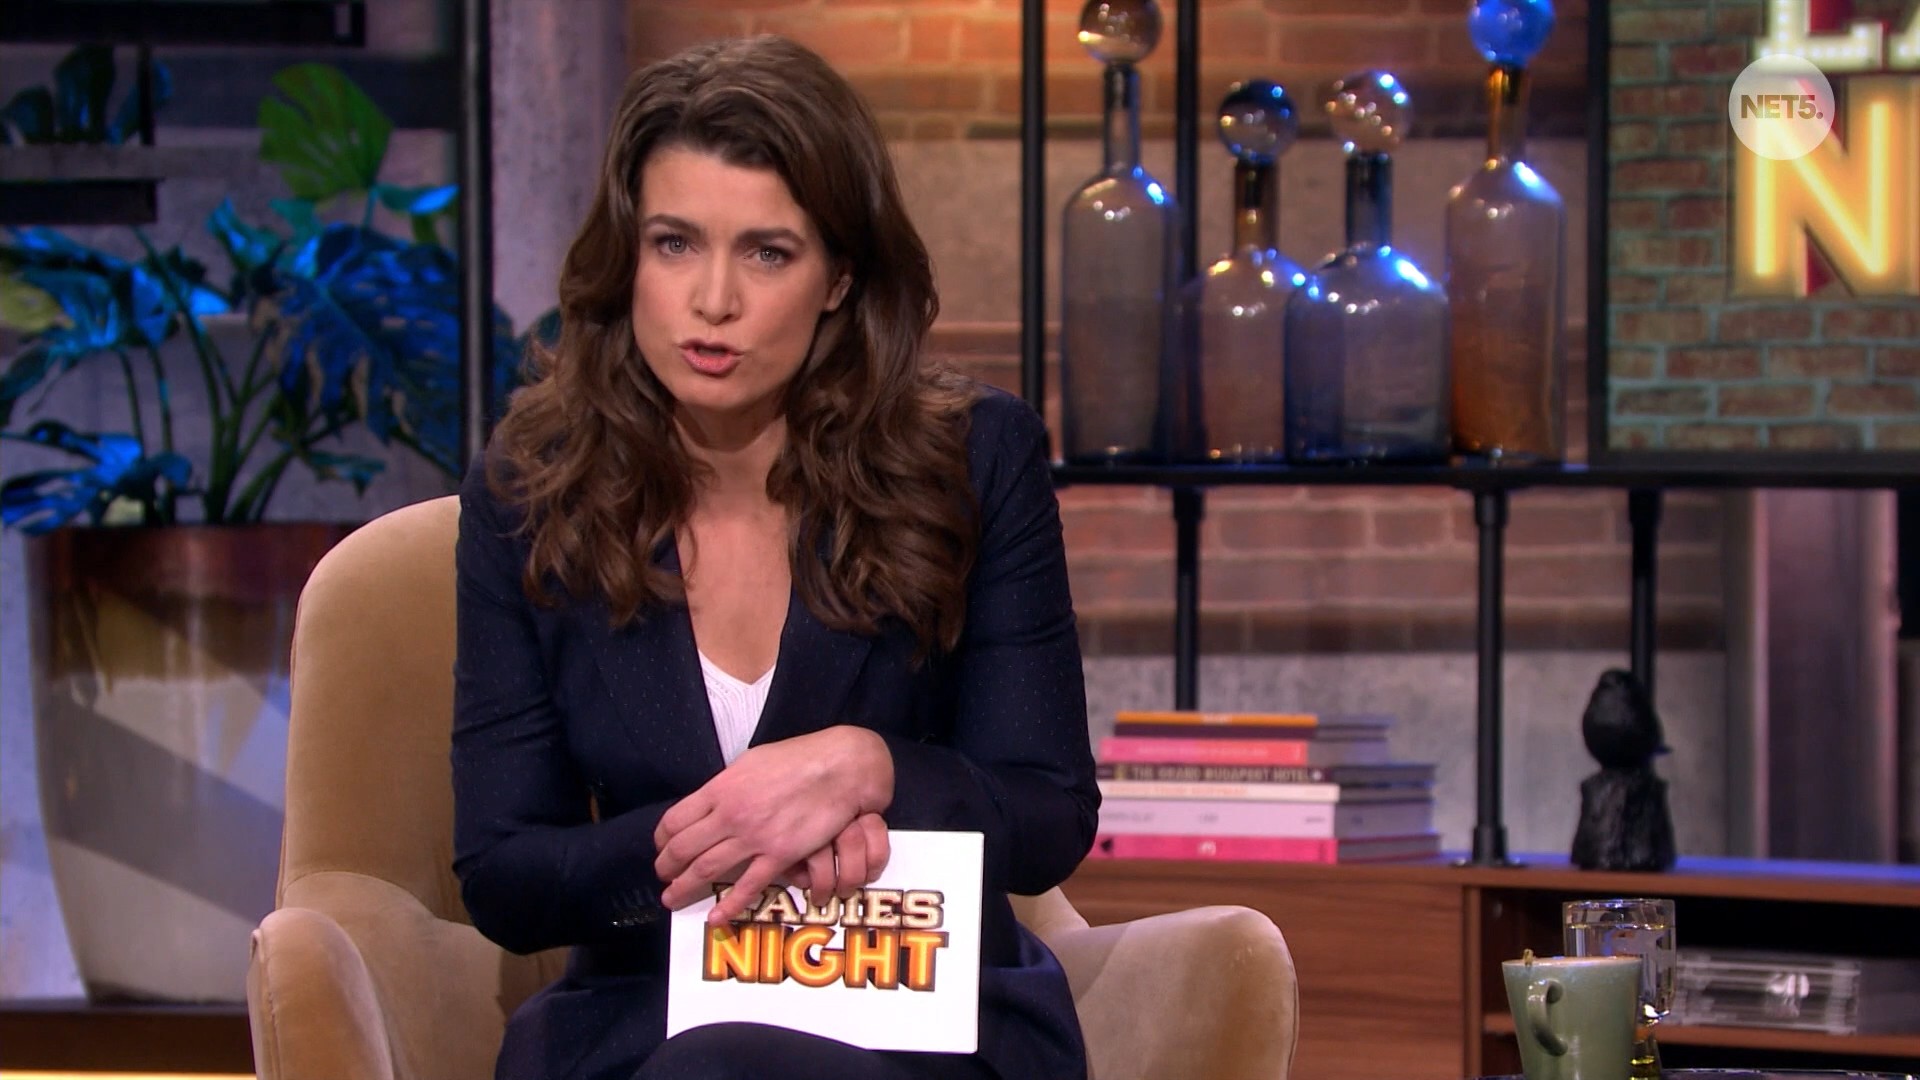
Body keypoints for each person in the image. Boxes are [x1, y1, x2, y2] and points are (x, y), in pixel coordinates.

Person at [450, 33, 1100, 1080]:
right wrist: (735, 837)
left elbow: (1049, 811)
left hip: (918, 1022)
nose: (713, 300)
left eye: (767, 253)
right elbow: (506, 873)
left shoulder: (973, 461)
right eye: (674, 244)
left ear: (839, 277)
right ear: (627, 258)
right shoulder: (533, 493)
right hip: (648, 1024)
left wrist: (871, 769)